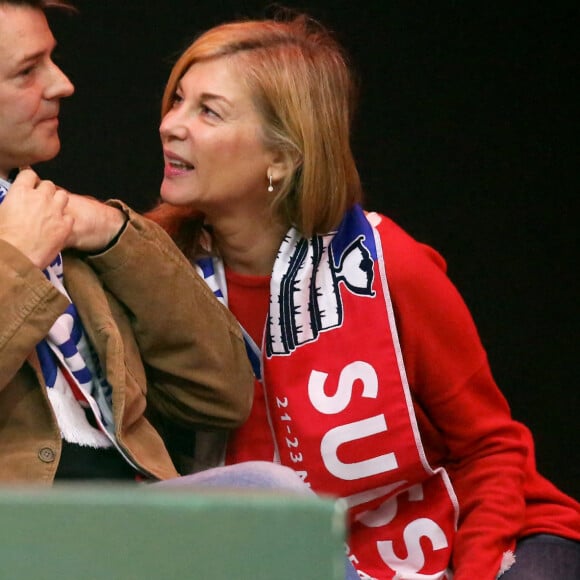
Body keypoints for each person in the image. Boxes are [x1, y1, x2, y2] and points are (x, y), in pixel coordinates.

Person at [146, 12, 580, 580]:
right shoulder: (156, 270)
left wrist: (475, 573)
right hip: (298, 558)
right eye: (177, 100)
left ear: (283, 156)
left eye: (208, 111)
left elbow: (491, 449)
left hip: (475, 535)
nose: (171, 125)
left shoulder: (390, 263)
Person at [0, 0, 291, 489]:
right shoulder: (29, 240)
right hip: (29, 536)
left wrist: (116, 235)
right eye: (28, 70)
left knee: (274, 497)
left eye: (51, 59)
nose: (61, 84)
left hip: (128, 515)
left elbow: (221, 393)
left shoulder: (62, 222)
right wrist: (17, 264)